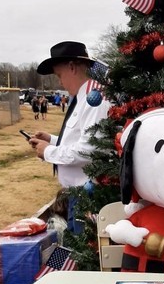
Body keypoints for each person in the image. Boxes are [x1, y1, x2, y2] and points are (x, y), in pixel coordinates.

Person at [29, 41, 111, 233]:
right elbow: (80, 139)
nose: (60, 82)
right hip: (80, 194)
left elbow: (92, 149)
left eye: (59, 75)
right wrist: (52, 140)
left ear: (72, 67)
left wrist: (49, 152)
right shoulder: (84, 98)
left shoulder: (94, 99)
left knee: (84, 247)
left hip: (89, 195)